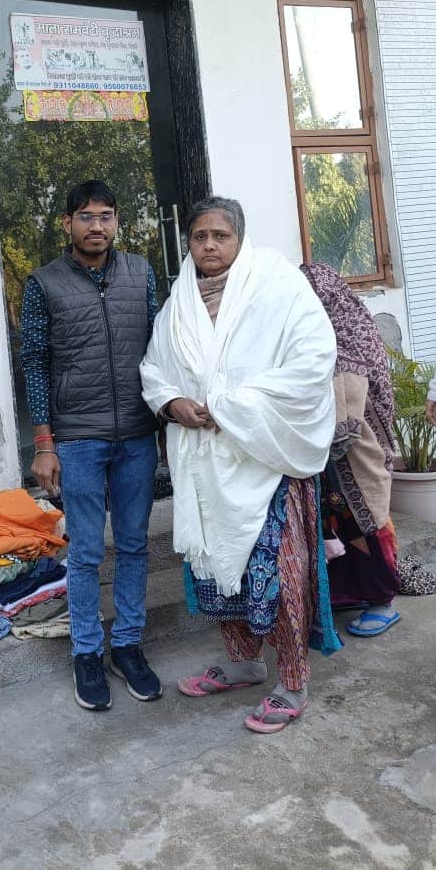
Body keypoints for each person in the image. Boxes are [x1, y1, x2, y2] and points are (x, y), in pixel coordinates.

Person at [140, 197, 341, 734]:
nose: (209, 245)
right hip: (207, 466)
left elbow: (314, 360)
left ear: (240, 239)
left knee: (277, 574)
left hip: (264, 458)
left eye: (220, 236)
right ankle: (242, 664)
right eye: (199, 235)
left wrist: (229, 405)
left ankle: (293, 684)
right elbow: (155, 368)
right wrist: (171, 404)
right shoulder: (178, 301)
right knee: (219, 575)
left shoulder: (278, 286)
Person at [20, 179, 161, 711]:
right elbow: (34, 363)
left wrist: (167, 424)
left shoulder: (141, 273)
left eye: (105, 216)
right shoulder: (44, 283)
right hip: (77, 438)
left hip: (137, 434)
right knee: (83, 551)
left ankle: (127, 644)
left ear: (117, 221)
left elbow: (160, 348)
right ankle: (86, 651)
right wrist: (44, 443)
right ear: (68, 223)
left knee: (132, 545)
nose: (96, 225)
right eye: (85, 217)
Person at [301, 264, 402, 634]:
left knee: (367, 523)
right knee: (339, 525)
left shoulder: (347, 337)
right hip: (332, 461)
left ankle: (383, 599)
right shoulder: (318, 336)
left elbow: (346, 423)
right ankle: (352, 593)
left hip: (358, 455)